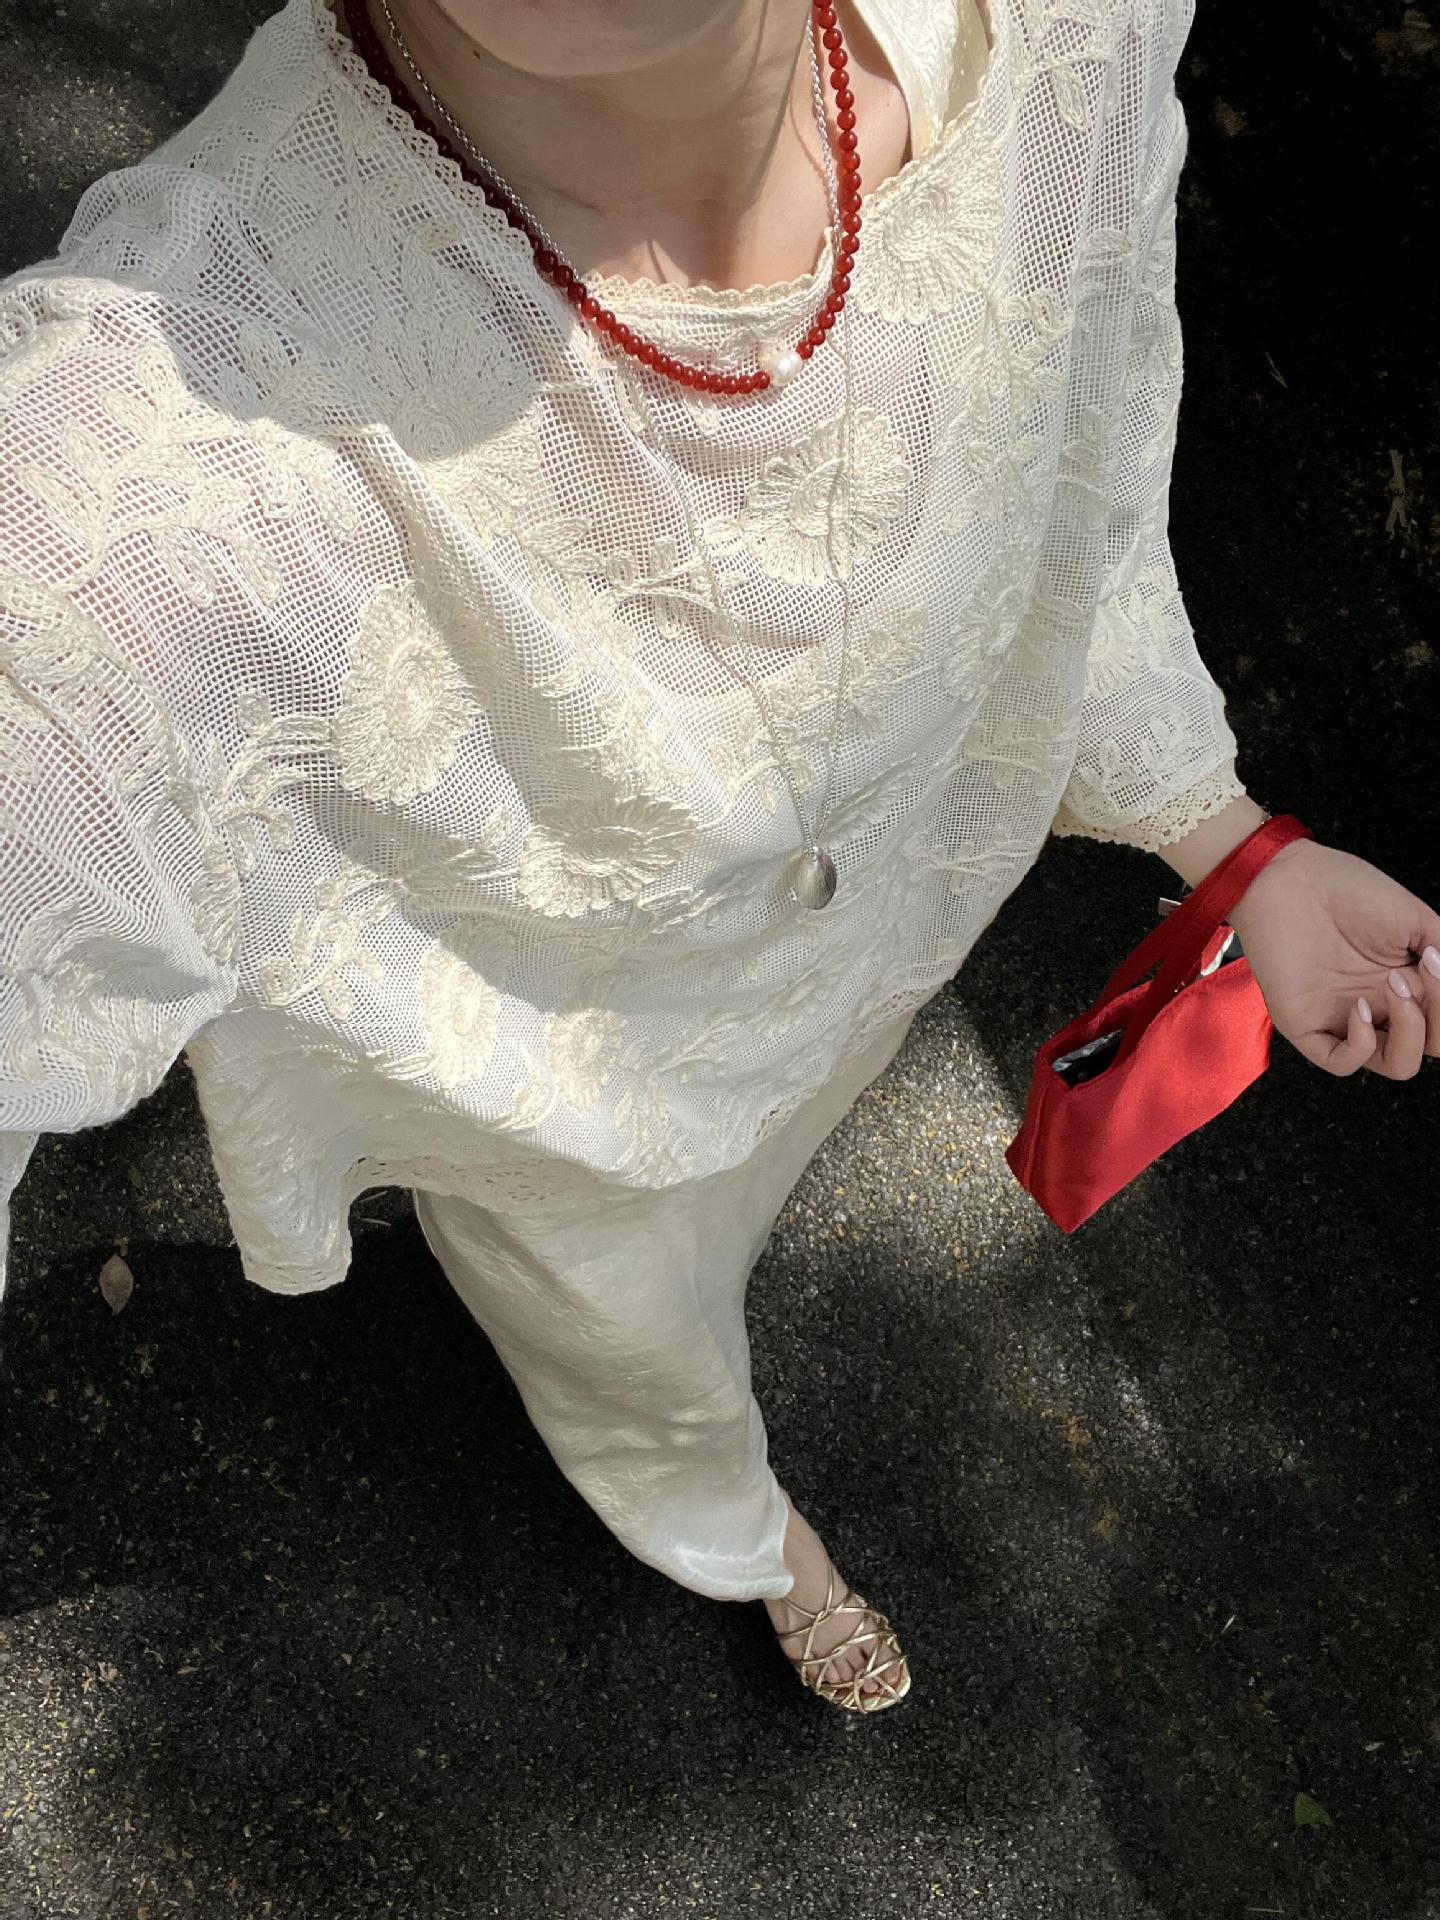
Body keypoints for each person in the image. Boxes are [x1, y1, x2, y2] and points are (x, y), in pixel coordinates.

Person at [1, 0, 1436, 1716]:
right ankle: (739, 1530)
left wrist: (1228, 837)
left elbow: (1085, 463)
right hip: (567, 1130)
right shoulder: (127, 473)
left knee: (743, 1191)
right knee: (635, 1345)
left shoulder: (1065, 31)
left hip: (870, 976)